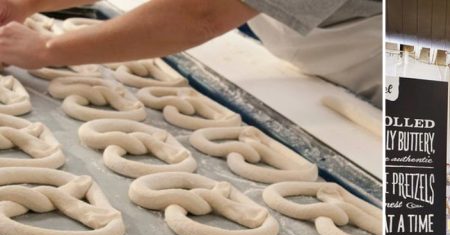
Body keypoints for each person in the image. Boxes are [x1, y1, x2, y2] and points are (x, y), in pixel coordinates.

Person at [0, 0, 382, 103]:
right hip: (311, 63)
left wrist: (48, 48)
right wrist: (26, 3)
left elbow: (203, 13)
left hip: (394, 79)